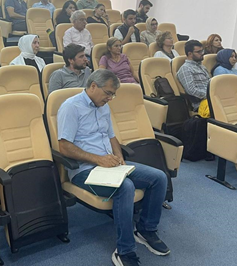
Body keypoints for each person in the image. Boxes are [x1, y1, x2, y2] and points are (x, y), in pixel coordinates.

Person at [57, 69, 170, 265]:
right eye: (108, 93)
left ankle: (146, 230)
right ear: (93, 86)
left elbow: (111, 137)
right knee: (125, 187)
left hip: (110, 165)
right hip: (85, 170)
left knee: (159, 177)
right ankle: (124, 251)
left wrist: (119, 157)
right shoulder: (71, 107)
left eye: (113, 94)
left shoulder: (103, 107)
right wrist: (98, 160)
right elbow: (64, 147)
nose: (110, 98)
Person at [176, 40, 211, 116]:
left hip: (211, 98)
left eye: (202, 51)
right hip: (201, 103)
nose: (202, 53)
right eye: (199, 52)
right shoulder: (185, 69)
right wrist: (209, 95)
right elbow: (191, 90)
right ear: (190, 54)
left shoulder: (201, 66)